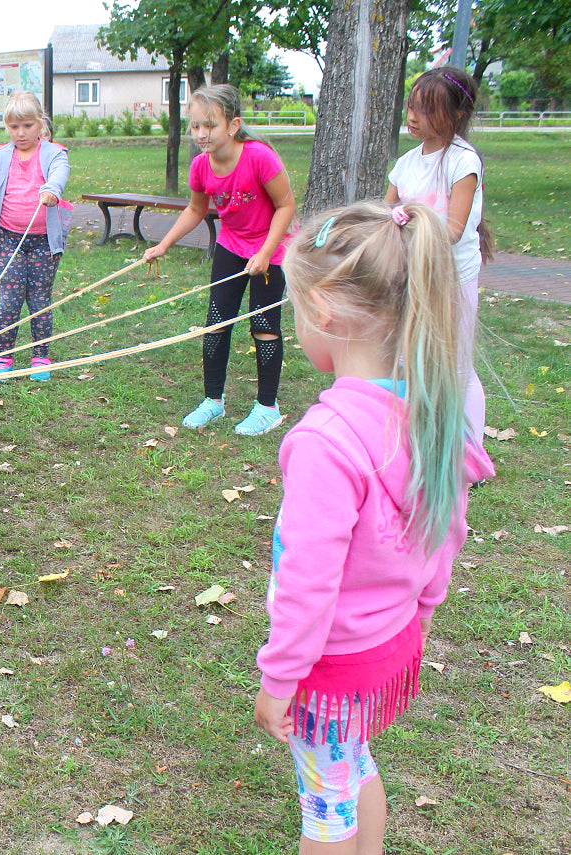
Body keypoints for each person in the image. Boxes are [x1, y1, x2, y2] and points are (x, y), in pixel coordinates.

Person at [254, 201, 494, 853]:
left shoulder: (327, 441)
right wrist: (423, 607)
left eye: (297, 310)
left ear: (325, 312)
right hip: (389, 643)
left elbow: (309, 576)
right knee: (354, 766)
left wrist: (279, 677)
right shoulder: (430, 412)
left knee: (325, 809)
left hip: (329, 664)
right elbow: (449, 528)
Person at [143, 84, 296, 435]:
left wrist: (266, 253)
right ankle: (214, 401)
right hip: (231, 246)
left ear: (232, 125)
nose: (200, 134)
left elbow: (286, 206)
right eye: (195, 126)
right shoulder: (201, 166)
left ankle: (267, 408)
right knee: (216, 322)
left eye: (209, 125)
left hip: (270, 249)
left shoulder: (259, 157)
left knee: (265, 328)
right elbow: (196, 209)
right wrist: (164, 244)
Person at [386, 67, 493, 445]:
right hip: (414, 274)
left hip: (453, 278)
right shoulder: (406, 163)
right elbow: (384, 214)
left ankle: (469, 451)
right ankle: (420, 439)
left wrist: (408, 219)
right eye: (411, 106)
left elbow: (452, 230)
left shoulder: (463, 162)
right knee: (410, 358)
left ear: (457, 114)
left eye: (426, 110)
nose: (413, 117)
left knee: (456, 365)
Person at [0, 90, 72, 383]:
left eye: (27, 126)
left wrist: (52, 190)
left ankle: (40, 356)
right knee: (9, 297)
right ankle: (4, 356)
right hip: (8, 238)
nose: (20, 133)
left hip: (45, 241)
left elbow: (59, 174)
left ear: (40, 123)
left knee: (40, 298)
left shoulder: (54, 153)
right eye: (14, 127)